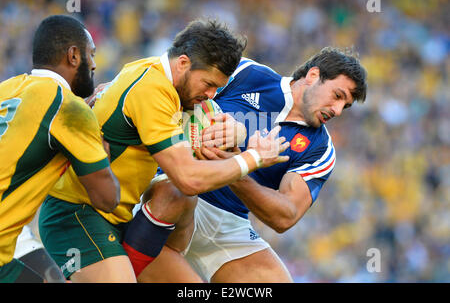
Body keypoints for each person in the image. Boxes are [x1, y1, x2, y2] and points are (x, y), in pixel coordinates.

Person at [38, 18, 291, 283]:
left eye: (218, 87)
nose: (212, 94)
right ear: (183, 63)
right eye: (208, 84)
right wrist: (253, 158)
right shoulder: (152, 90)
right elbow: (189, 177)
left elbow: (218, 127)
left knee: (177, 195)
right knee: (182, 186)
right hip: (75, 215)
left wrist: (237, 131)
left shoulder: (171, 85)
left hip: (115, 217)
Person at [125, 46, 368, 282]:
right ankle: (125, 269)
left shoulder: (321, 149)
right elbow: (169, 84)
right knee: (175, 193)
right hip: (176, 189)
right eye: (338, 96)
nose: (337, 110)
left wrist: (237, 168)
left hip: (230, 224)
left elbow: (285, 216)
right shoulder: (247, 73)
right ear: (313, 76)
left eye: (345, 106)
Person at [0, 15, 120, 283]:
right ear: (74, 55)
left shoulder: (7, 88)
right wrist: (100, 151)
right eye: (92, 54)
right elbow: (107, 199)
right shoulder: (67, 107)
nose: (95, 64)